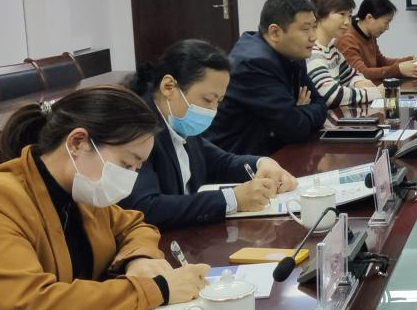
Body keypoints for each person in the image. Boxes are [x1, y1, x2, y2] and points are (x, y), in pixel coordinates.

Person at [0, 86, 208, 310]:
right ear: (77, 142)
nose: (130, 178)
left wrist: (139, 258)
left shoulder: (81, 189)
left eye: (137, 168)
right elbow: (34, 306)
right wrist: (159, 289)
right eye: (126, 164)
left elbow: (135, 225)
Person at [121, 39, 298, 229]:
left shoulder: (179, 120)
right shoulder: (136, 129)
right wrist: (232, 199)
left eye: (219, 101)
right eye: (207, 99)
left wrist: (262, 163)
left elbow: (220, 163)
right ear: (169, 87)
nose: (212, 110)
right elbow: (146, 208)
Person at [205, 0, 328, 155]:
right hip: (235, 158)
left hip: (271, 150)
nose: (313, 37)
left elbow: (320, 104)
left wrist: (298, 112)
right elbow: (295, 128)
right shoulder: (253, 63)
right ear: (275, 32)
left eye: (314, 27)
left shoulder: (292, 53)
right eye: (306, 29)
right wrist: (298, 112)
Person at [307, 0, 383, 107]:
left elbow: (351, 75)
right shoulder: (311, 51)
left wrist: (358, 82)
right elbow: (331, 96)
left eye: (349, 16)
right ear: (319, 15)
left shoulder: (331, 49)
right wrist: (375, 93)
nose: (347, 22)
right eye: (342, 14)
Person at [336, 0, 417, 81]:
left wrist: (410, 60)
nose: (387, 28)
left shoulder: (370, 34)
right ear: (369, 18)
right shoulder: (346, 39)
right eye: (386, 22)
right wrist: (399, 69)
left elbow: (381, 62)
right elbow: (361, 73)